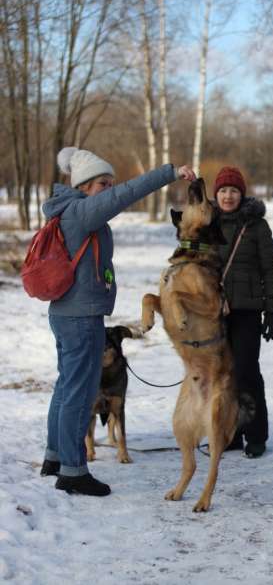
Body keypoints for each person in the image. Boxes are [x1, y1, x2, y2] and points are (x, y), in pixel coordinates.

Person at [40, 147, 196, 496]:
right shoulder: (81, 210)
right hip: (80, 316)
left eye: (110, 182)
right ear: (83, 185)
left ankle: (55, 455)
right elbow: (130, 192)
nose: (109, 189)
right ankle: (73, 470)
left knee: (67, 386)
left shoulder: (68, 209)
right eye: (102, 184)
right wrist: (169, 172)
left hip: (67, 312)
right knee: (80, 393)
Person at [214, 166, 273, 458]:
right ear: (215, 195)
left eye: (234, 191)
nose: (228, 196)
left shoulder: (257, 226)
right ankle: (230, 433)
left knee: (246, 372)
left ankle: (255, 434)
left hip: (247, 312)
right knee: (222, 375)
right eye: (223, 191)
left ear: (242, 194)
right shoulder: (208, 223)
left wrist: (272, 312)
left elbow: (269, 271)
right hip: (215, 312)